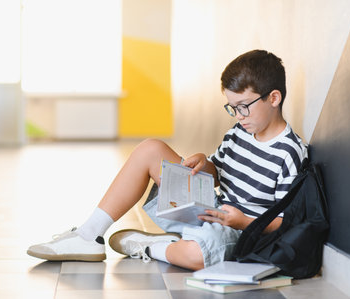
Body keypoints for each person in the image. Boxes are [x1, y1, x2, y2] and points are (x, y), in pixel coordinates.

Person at [27, 49, 308, 270]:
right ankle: (88, 236)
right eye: (232, 108)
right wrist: (204, 163)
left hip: (241, 229)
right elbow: (218, 172)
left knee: (199, 253)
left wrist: (241, 221)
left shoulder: (290, 152)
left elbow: (286, 222)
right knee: (151, 148)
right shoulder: (239, 132)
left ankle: (149, 247)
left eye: (243, 107)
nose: (238, 116)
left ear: (273, 98)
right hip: (212, 211)